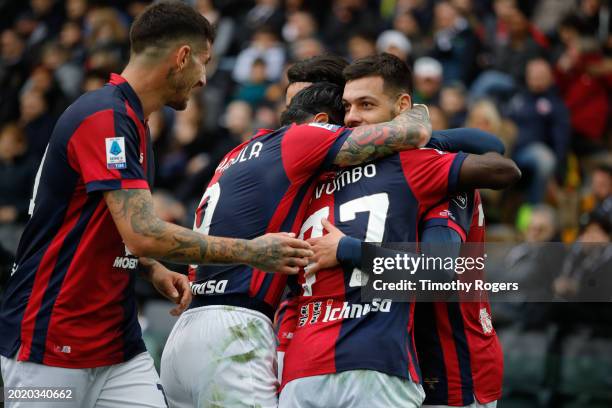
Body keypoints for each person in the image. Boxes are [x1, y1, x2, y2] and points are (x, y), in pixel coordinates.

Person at [0, 3, 312, 408]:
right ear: (181, 57)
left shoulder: (131, 121)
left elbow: (105, 226)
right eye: (203, 63)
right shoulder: (104, 116)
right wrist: (253, 252)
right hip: (47, 347)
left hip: (117, 349)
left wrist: (150, 268)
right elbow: (143, 231)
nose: (204, 79)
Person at [160, 80, 434, 406]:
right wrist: (417, 112)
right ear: (321, 124)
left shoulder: (239, 151)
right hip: (234, 331)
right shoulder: (303, 139)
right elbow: (415, 132)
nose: (350, 126)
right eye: (341, 123)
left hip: (185, 335)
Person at [277, 53, 520, 408]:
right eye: (347, 107)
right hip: (383, 359)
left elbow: (436, 276)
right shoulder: (322, 177)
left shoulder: (430, 170)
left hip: (452, 366)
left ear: (402, 106)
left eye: (366, 104)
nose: (352, 117)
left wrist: (347, 250)